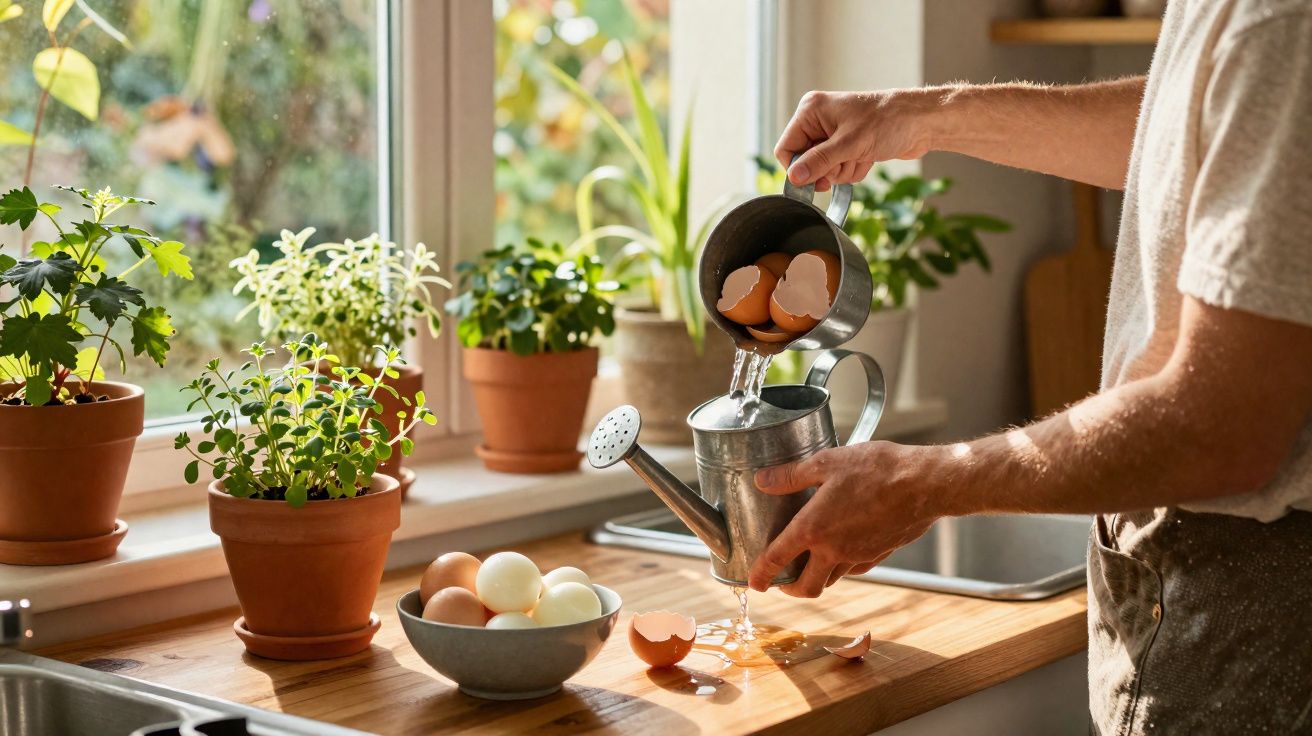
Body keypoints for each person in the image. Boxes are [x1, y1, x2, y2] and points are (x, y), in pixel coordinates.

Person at [751, 1, 1312, 732]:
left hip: (1254, 618)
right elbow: (1204, 123)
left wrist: (920, 484)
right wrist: (922, 116)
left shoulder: (1282, 17)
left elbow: (1221, 428)